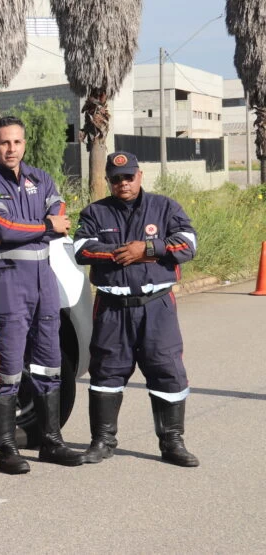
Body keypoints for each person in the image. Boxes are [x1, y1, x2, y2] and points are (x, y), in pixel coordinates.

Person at [0, 116, 83, 474]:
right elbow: (2, 230)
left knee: (50, 360)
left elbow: (61, 215)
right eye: (4, 142)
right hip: (7, 283)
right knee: (7, 367)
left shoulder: (40, 178)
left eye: (17, 142)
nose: (11, 149)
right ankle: (7, 449)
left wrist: (41, 226)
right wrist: (45, 226)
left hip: (44, 281)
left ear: (24, 144)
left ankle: (51, 441)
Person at [73, 152, 199, 467]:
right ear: (108, 181)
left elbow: (188, 245)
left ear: (140, 176)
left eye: (128, 177)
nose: (123, 183)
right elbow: (82, 249)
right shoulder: (95, 212)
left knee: (167, 370)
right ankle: (102, 442)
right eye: (116, 179)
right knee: (105, 372)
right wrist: (122, 253)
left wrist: (148, 249)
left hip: (157, 307)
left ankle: (172, 443)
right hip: (112, 309)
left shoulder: (165, 207)